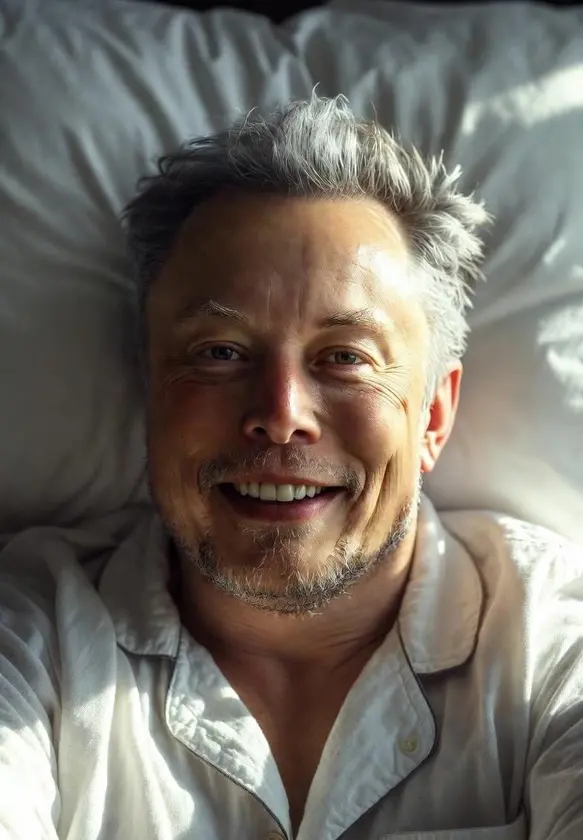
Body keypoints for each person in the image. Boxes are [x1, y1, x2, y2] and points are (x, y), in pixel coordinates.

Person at [1, 94, 582, 840]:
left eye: (344, 357)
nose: (280, 413)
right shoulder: (31, 641)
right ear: (149, 391)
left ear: (433, 416)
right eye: (219, 352)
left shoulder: (554, 646)